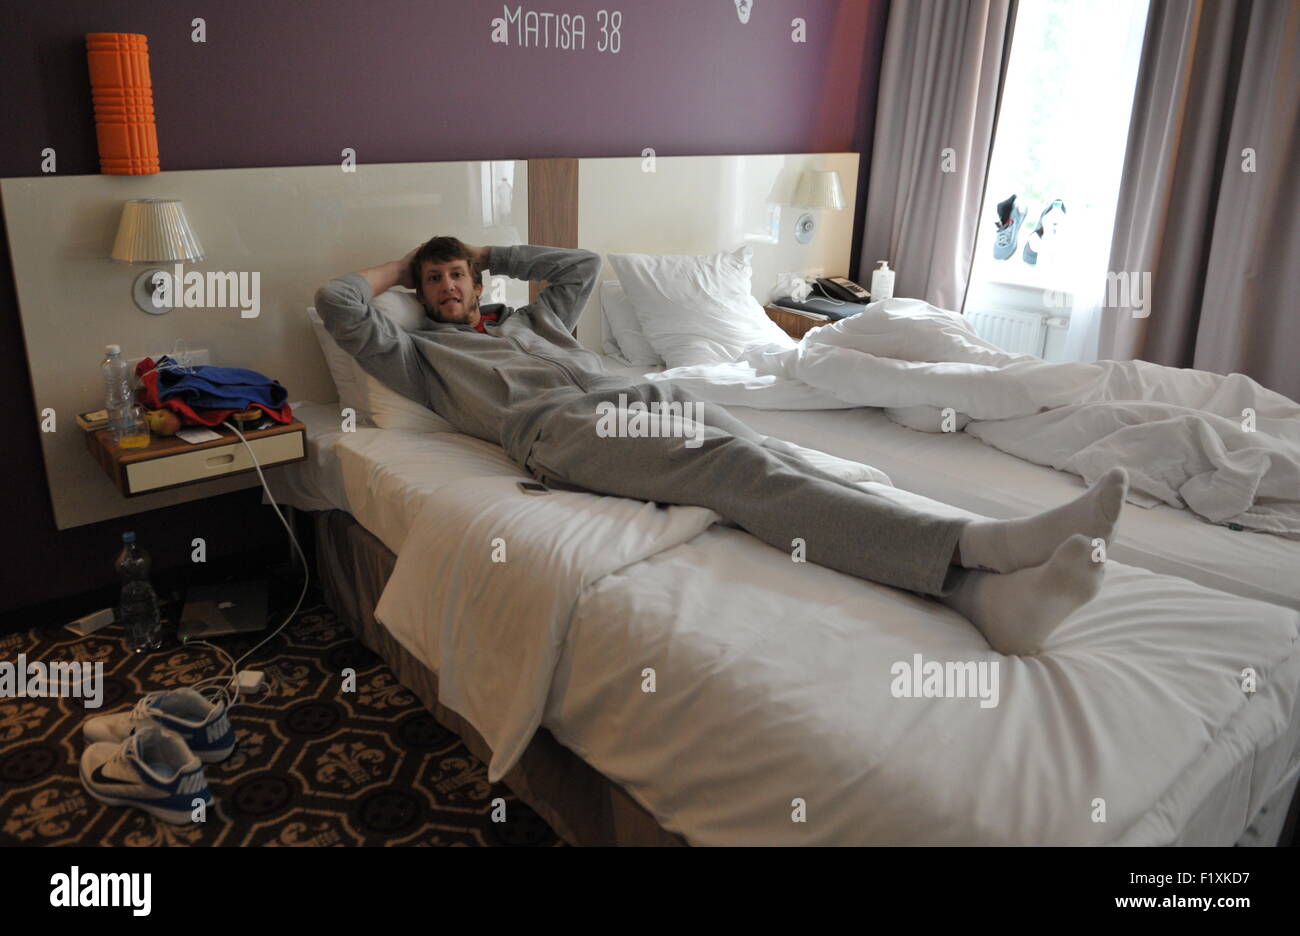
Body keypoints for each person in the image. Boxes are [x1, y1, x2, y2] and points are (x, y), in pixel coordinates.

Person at [315, 237, 1129, 655]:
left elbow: (580, 264)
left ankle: (980, 589)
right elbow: (337, 302)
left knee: (784, 458)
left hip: (639, 394)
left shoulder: (535, 320)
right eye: (437, 282)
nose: (450, 288)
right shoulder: (421, 357)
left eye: (459, 276)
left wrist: (491, 257)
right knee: (734, 471)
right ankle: (976, 558)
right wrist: (401, 267)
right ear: (421, 297)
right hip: (560, 434)